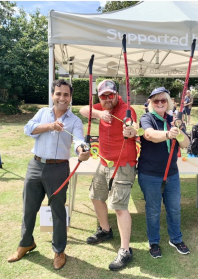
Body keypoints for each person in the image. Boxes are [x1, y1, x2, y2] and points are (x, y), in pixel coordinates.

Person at [7, 79, 90, 270]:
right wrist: (50, 126)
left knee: (58, 212)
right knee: (29, 209)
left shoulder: (75, 121)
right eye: (58, 93)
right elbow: (28, 129)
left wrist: (83, 152)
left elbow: (79, 140)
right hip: (35, 165)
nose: (62, 98)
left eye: (66, 94)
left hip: (58, 169)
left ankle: (59, 250)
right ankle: (25, 243)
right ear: (53, 95)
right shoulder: (42, 113)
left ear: (70, 98)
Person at [79, 79, 138, 271]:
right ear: (99, 96)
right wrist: (98, 114)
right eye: (103, 96)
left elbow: (132, 126)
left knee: (119, 207)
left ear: (116, 94)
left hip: (123, 163)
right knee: (96, 197)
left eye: (110, 95)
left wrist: (130, 130)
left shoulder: (125, 109)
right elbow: (82, 110)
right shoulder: (101, 106)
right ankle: (105, 230)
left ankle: (125, 250)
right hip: (104, 162)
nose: (107, 99)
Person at [138, 87, 190, 259]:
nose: (160, 103)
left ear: (168, 102)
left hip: (172, 173)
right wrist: (168, 134)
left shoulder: (173, 120)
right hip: (150, 173)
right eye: (156, 101)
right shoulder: (147, 118)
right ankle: (153, 242)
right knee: (153, 210)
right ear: (151, 103)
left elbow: (185, 144)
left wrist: (179, 130)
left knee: (174, 209)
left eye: (163, 100)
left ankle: (176, 239)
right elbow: (150, 135)